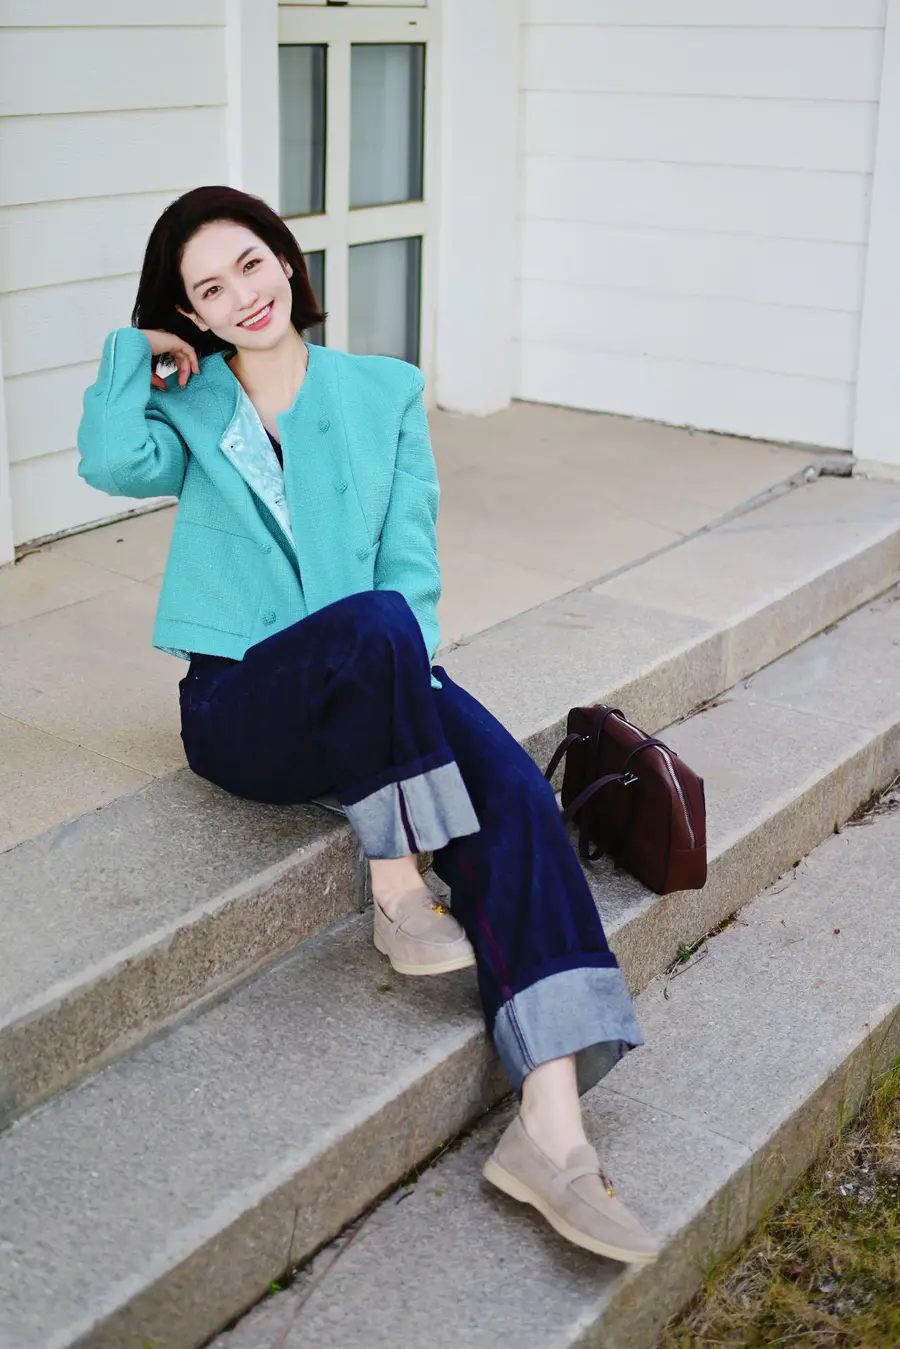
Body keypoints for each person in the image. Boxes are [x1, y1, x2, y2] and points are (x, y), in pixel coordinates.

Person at [77, 185, 658, 1266]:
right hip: (244, 703)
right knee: (378, 628)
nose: (241, 296)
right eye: (209, 290)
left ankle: (554, 1132)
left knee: (515, 790)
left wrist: (408, 693)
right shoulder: (191, 406)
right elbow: (110, 464)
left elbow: (410, 564)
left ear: (288, 262)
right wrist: (134, 348)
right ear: (192, 314)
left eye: (252, 265)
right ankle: (398, 892)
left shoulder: (384, 391)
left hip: (379, 670)